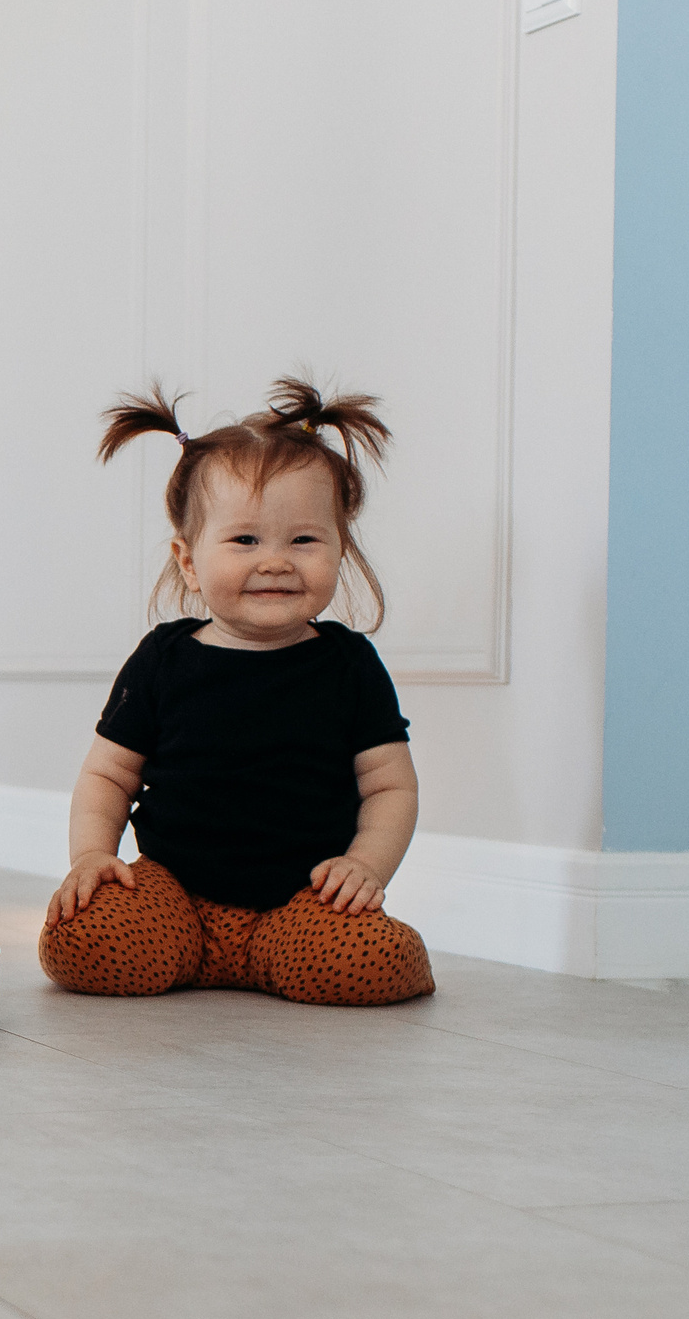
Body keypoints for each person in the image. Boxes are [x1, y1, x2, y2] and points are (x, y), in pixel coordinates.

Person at [37, 378, 437, 1006]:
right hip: (172, 894)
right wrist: (91, 855)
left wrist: (364, 866)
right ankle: (181, 951)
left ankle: (282, 958)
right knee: (83, 938)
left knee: (374, 961)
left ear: (339, 549)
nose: (275, 561)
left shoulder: (348, 665)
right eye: (245, 540)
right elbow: (108, 775)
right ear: (189, 561)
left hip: (303, 901)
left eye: (304, 540)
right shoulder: (163, 660)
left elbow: (391, 787)